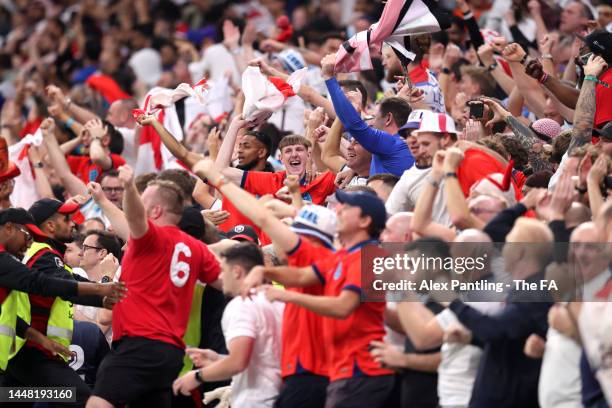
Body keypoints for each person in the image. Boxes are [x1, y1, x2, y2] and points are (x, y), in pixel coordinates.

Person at [87, 165, 222, 408]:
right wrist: (102, 201)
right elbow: (226, 283)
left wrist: (128, 187)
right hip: (170, 354)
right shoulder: (197, 249)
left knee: (97, 404)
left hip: (138, 344)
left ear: (156, 210)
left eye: (143, 199)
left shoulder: (151, 237)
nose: (138, 204)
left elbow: (135, 218)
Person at [0, 208, 124, 372]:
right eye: (28, 235)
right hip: (29, 356)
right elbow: (45, 284)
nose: (29, 243)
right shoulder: (26, 257)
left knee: (13, 397)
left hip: (22, 353)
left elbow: (64, 280)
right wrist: (102, 287)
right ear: (9, 228)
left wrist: (42, 340)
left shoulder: (34, 256)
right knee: (75, 396)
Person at [173, 242, 284, 407]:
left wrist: (197, 376)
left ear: (237, 272)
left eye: (223, 270)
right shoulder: (279, 301)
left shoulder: (241, 305)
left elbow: (238, 362)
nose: (220, 277)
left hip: (256, 399)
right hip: (280, 395)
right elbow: (260, 358)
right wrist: (218, 359)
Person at [322, 53, 414, 177]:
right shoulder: (396, 145)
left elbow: (353, 124)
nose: (371, 122)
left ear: (388, 119)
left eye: (375, 117)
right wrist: (353, 171)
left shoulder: (392, 143)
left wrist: (329, 77)